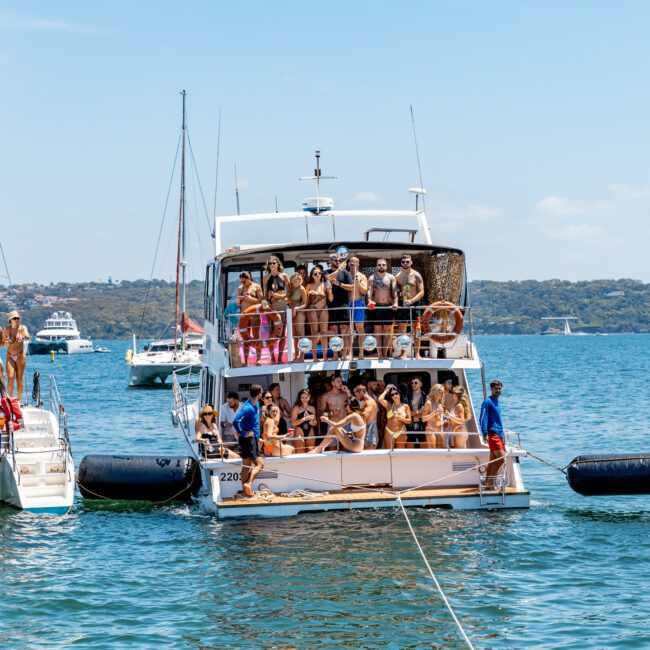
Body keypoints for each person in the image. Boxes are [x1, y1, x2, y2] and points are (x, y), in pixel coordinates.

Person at [232, 384, 264, 497]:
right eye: (262, 392)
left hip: (251, 438)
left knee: (246, 464)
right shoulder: (248, 407)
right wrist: (243, 433)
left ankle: (246, 491)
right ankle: (248, 484)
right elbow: (235, 421)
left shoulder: (256, 404)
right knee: (260, 464)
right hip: (248, 439)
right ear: (259, 394)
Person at [395, 254, 425, 359]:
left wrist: (412, 300)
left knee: (416, 329)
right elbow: (395, 293)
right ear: (401, 263)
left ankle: (417, 353)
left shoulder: (416, 275)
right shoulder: (398, 276)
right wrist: (400, 294)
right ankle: (403, 353)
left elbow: (422, 292)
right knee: (402, 329)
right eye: (403, 262)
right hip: (403, 304)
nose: (405, 263)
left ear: (411, 262)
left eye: (407, 261)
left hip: (415, 303)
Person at [366, 259, 398, 359]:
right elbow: (369, 292)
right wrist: (369, 301)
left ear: (386, 266)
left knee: (387, 330)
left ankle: (385, 353)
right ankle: (380, 353)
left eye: (383, 265)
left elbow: (395, 292)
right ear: (376, 266)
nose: (381, 266)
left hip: (388, 306)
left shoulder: (391, 277)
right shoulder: (372, 278)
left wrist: (396, 302)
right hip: (377, 306)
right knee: (378, 330)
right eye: (379, 265)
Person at [324, 253, 353, 360]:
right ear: (330, 261)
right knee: (333, 330)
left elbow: (351, 287)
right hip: (331, 304)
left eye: (339, 260)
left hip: (343, 304)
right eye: (335, 260)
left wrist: (339, 284)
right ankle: (335, 354)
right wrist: (339, 270)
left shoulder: (346, 273)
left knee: (345, 330)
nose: (338, 262)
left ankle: (346, 354)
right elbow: (328, 278)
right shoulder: (326, 272)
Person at [262, 255, 290, 364]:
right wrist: (267, 304)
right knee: (271, 334)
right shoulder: (265, 278)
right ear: (268, 266)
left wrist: (282, 297)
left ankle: (280, 358)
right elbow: (265, 295)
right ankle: (273, 357)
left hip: (282, 306)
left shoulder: (284, 276)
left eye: (274, 263)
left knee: (282, 334)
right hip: (271, 307)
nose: (272, 265)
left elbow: (289, 292)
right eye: (270, 263)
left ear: (278, 264)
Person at [479, 380, 506, 489]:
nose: (498, 390)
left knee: (493, 459)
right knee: (501, 458)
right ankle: (491, 481)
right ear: (491, 389)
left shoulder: (497, 401)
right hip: (493, 433)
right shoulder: (488, 402)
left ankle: (487, 482)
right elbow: (482, 418)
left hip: (500, 434)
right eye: (496, 388)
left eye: (499, 388)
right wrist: (484, 433)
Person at [236, 271, 264, 366]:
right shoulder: (240, 288)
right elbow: (238, 304)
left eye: (244, 281)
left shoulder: (256, 287)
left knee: (257, 336)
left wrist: (250, 299)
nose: (242, 283)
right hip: (244, 315)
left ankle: (258, 359)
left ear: (249, 278)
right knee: (245, 338)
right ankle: (246, 361)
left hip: (255, 314)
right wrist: (239, 300)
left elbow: (261, 301)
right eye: (241, 281)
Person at [305, 266, 333, 360]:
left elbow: (331, 299)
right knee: (314, 333)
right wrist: (309, 294)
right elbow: (305, 302)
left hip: (324, 309)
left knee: (324, 333)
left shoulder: (325, 284)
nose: (318, 275)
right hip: (312, 309)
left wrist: (330, 290)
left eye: (319, 273)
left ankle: (325, 357)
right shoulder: (309, 286)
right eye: (315, 273)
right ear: (312, 275)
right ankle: (314, 357)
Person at [317, 374, 349, 449]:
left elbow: (354, 405)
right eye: (338, 381)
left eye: (341, 381)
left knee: (347, 447)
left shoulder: (345, 394)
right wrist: (331, 413)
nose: (340, 383)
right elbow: (321, 413)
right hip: (333, 425)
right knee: (333, 448)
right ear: (332, 383)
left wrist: (347, 391)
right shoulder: (326, 396)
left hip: (345, 424)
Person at [3, 311, 30, 400]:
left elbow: (27, 336)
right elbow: (2, 342)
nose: (17, 320)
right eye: (15, 318)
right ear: (10, 320)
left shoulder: (22, 328)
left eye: (18, 318)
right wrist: (6, 342)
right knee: (10, 377)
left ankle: (18, 399)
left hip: (20, 355)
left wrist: (23, 337)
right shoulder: (7, 329)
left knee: (19, 378)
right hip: (10, 355)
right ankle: (10, 399)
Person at [347, 256, 368, 359]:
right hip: (347, 304)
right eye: (351, 264)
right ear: (348, 264)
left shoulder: (362, 276)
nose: (353, 266)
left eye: (355, 264)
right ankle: (349, 352)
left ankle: (361, 353)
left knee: (360, 329)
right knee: (349, 330)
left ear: (358, 264)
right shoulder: (345, 275)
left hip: (358, 303)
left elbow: (365, 291)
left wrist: (358, 282)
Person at [378, 385, 411, 449]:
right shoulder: (389, 405)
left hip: (401, 431)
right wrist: (386, 391)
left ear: (399, 394)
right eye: (392, 394)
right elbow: (380, 399)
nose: (394, 395)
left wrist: (401, 418)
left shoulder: (405, 406)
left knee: (400, 454)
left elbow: (409, 421)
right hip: (389, 431)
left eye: (396, 393)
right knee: (389, 453)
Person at [288, 273, 308, 360]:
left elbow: (305, 304)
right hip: (291, 312)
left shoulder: (302, 289)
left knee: (300, 334)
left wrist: (296, 308)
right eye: (295, 280)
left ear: (300, 280)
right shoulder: (292, 288)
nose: (296, 282)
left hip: (299, 312)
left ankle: (302, 356)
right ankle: (296, 355)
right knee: (294, 335)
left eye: (298, 280)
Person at [352, 384, 379, 449]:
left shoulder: (369, 402)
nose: (357, 397)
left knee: (369, 455)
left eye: (357, 395)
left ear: (361, 392)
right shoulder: (366, 402)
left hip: (370, 431)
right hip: (368, 430)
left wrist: (353, 413)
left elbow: (365, 416)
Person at [421, 383, 446, 448]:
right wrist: (434, 412)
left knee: (441, 450)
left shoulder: (441, 402)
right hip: (430, 428)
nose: (443, 394)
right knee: (432, 449)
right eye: (441, 392)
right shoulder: (429, 403)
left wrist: (445, 419)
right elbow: (423, 418)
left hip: (440, 428)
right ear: (435, 392)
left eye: (444, 392)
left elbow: (442, 415)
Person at [406, 376, 428, 449]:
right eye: (412, 383)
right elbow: (406, 413)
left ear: (420, 384)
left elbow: (425, 413)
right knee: (410, 446)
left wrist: (412, 414)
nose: (413, 384)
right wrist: (418, 412)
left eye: (416, 383)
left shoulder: (426, 396)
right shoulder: (407, 396)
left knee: (424, 446)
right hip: (410, 424)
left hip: (422, 425)